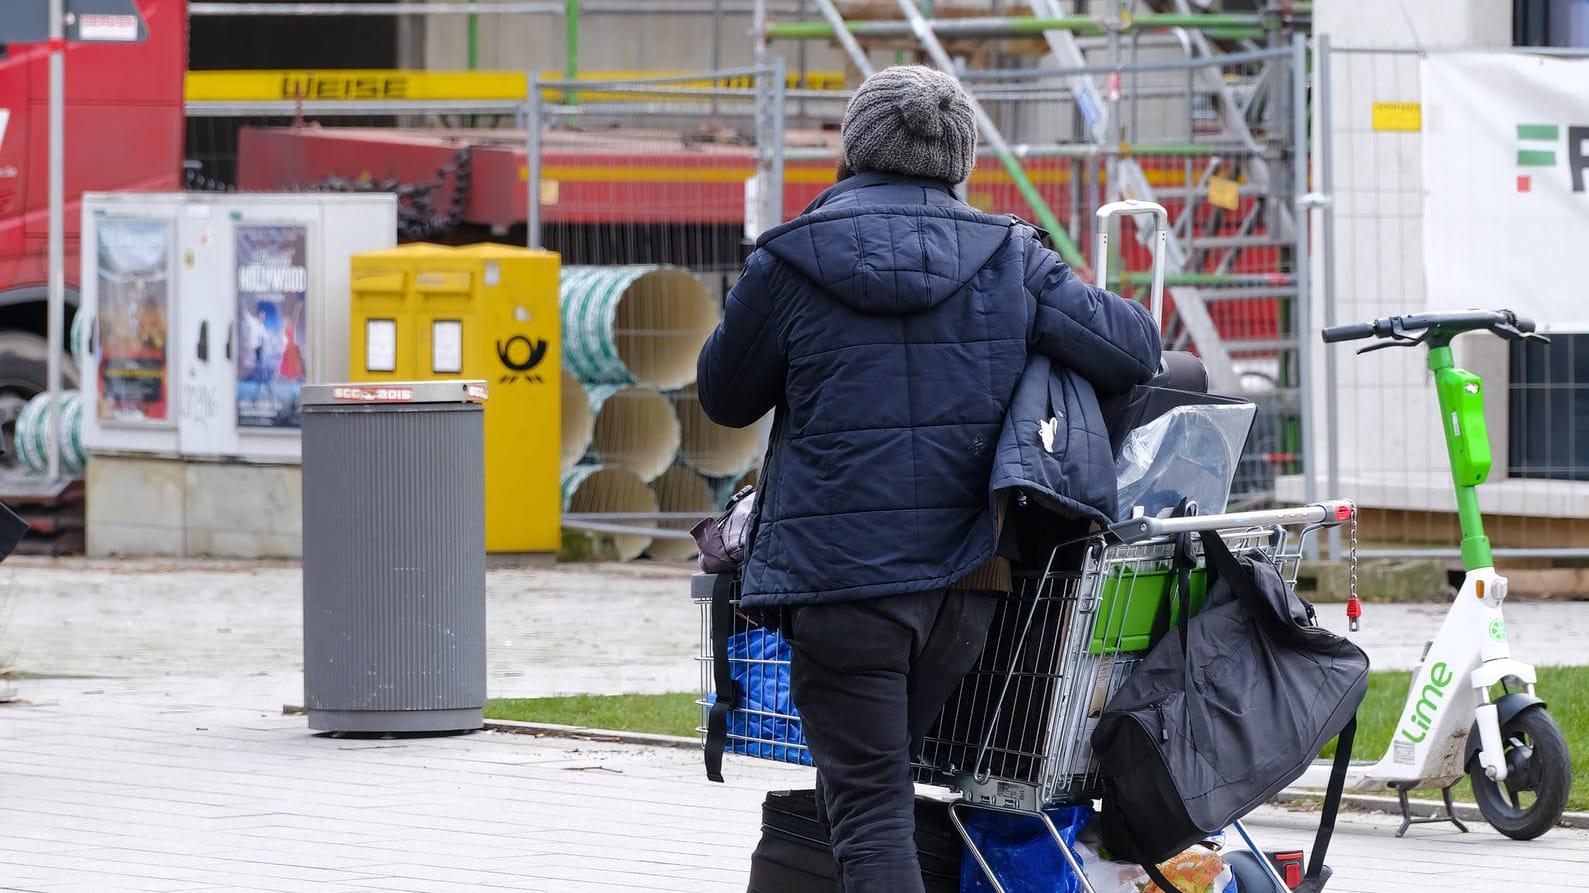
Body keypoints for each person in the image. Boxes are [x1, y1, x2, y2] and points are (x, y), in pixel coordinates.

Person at [696, 65, 1162, 892]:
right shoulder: (1011, 256)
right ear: (960, 160)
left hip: (841, 585)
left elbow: (725, 397)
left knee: (869, 811)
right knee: (877, 792)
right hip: (967, 585)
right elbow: (1133, 349)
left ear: (855, 146)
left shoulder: (789, 259)